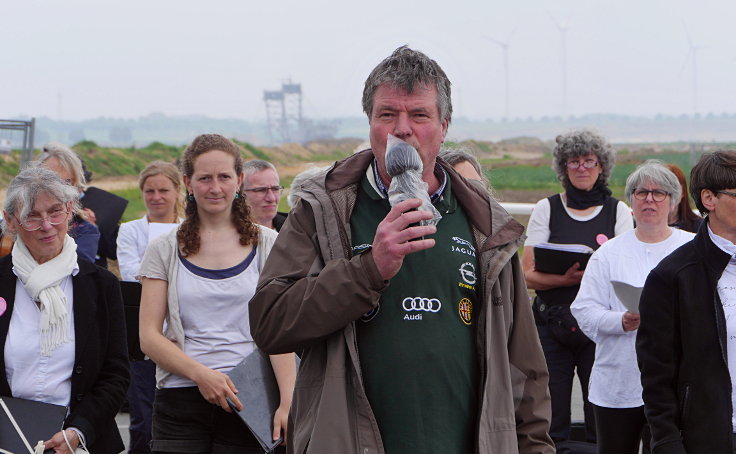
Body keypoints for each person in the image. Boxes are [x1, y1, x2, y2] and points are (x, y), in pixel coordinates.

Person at [250, 46, 554, 454]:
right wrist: (369, 269)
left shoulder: (487, 224)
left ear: (444, 126)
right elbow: (270, 323)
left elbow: (525, 369)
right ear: (371, 123)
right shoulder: (322, 210)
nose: (402, 129)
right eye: (387, 114)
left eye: (419, 115)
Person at [138, 134, 296, 454]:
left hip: (249, 395)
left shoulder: (268, 245)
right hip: (180, 397)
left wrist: (289, 400)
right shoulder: (163, 249)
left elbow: (277, 331)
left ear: (238, 180)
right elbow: (148, 336)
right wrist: (202, 375)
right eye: (204, 178)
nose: (215, 187)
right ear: (188, 182)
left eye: (224, 177)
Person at [0, 166, 129, 453]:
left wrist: (79, 430)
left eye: (55, 211)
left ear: (70, 210)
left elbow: (116, 373)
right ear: (11, 221)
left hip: (80, 441)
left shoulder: (100, 285)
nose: (47, 225)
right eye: (32, 216)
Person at [571, 161, 693, 454]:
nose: (649, 199)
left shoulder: (691, 248)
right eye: (641, 193)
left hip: (674, 381)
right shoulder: (608, 253)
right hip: (618, 380)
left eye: (659, 193)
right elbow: (584, 310)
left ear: (674, 200)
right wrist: (621, 321)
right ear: (630, 201)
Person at [521, 129, 633, 446]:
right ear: (563, 167)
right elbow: (526, 275)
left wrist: (585, 277)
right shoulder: (547, 208)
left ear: (601, 167)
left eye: (589, 161)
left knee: (600, 410)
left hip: (599, 327)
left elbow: (622, 272)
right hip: (550, 324)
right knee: (549, 414)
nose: (581, 168)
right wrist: (565, 280)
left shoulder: (619, 212)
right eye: (573, 161)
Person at [637, 150, 736, 453]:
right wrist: (667, 442)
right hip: (710, 438)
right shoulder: (672, 276)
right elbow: (657, 376)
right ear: (709, 199)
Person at [117, 161, 183, 454]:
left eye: (163, 190)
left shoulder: (190, 228)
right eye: (149, 191)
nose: (156, 197)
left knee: (179, 413)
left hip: (183, 332)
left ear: (178, 190)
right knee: (143, 417)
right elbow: (131, 272)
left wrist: (154, 272)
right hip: (145, 332)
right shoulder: (130, 231)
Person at [34, 142, 100, 264]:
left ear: (76, 187)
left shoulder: (84, 230)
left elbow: (80, 272)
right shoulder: (16, 222)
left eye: (66, 182)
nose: (58, 189)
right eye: (50, 180)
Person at [243, 160, 287, 231]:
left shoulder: (297, 230)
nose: (271, 198)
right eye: (261, 190)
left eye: (275, 189)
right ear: (241, 193)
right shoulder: (224, 236)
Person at [665, 163, 703, 233]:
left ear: (682, 192)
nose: (666, 196)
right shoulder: (642, 226)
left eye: (671, 189)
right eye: (658, 192)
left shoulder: (700, 227)